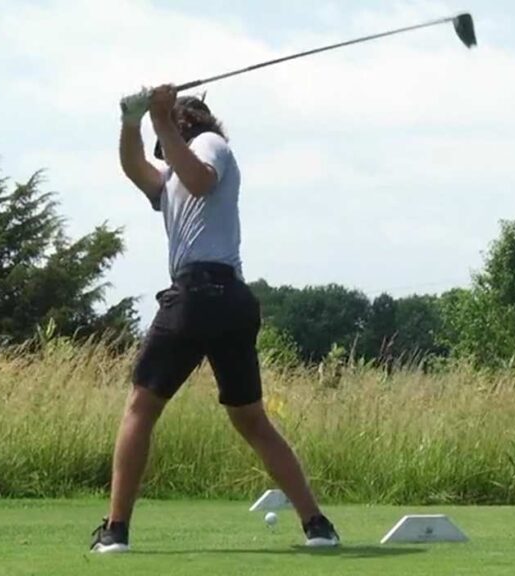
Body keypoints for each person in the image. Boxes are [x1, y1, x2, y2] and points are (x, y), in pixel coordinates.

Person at [90, 84, 339, 553]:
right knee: (251, 421)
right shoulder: (170, 180)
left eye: (167, 139)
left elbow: (202, 178)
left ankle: (115, 531)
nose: (162, 153)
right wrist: (130, 121)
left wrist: (161, 119)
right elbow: (134, 167)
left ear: (182, 124)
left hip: (199, 297)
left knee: (141, 410)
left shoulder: (210, 145)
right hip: (230, 303)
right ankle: (317, 525)